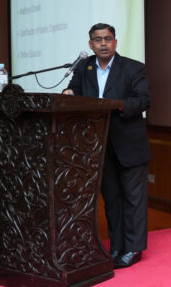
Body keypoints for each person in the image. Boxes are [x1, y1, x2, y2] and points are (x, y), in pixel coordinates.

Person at [63, 23, 151, 269]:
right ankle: (116, 246)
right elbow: (75, 92)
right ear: (90, 44)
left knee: (133, 200)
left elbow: (144, 100)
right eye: (98, 39)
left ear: (115, 42)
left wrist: (116, 105)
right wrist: (69, 92)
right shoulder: (84, 67)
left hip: (129, 144)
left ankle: (133, 248)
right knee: (112, 200)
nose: (103, 43)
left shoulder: (133, 67)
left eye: (108, 38)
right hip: (97, 145)